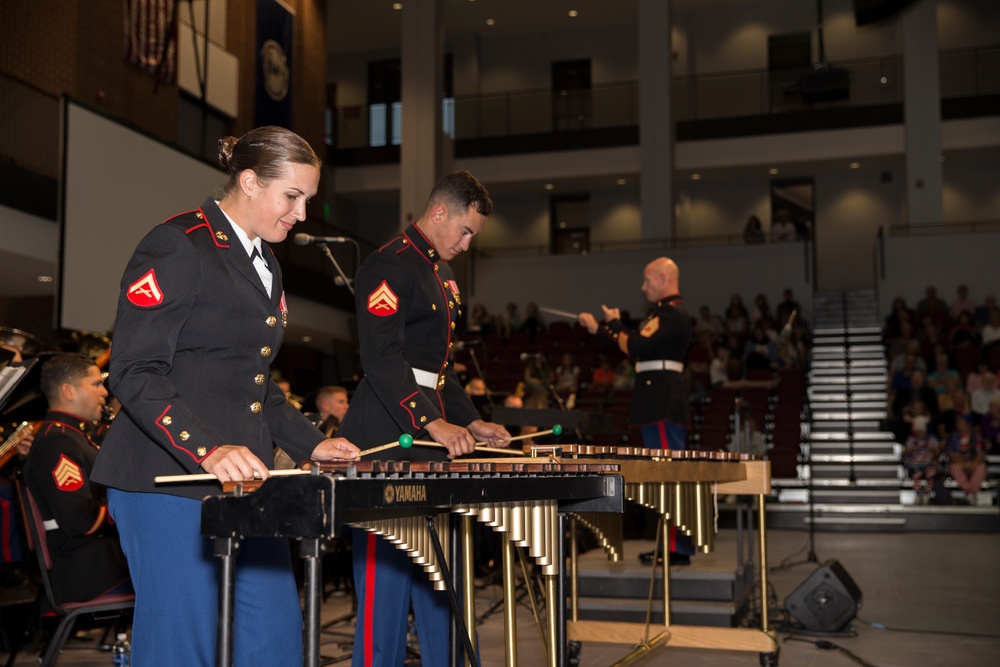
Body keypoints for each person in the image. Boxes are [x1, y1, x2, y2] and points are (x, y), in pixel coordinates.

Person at [91, 126, 360, 667]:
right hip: (169, 480)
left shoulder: (266, 262)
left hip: (244, 482)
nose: (301, 214)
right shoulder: (178, 243)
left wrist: (311, 445)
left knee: (276, 641)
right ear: (250, 181)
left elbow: (253, 383)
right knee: (179, 648)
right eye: (293, 197)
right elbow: (134, 371)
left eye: (307, 200)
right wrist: (206, 449)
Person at [335, 170, 511, 667]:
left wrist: (469, 421)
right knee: (384, 587)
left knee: (441, 578)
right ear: (439, 213)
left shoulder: (444, 275)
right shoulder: (387, 266)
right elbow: (384, 358)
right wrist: (430, 422)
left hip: (428, 438)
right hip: (386, 439)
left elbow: (437, 368)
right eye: (466, 231)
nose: (468, 243)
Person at [578, 256, 695, 563]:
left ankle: (675, 548)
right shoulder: (664, 314)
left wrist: (614, 324)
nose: (643, 288)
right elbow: (636, 341)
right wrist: (598, 329)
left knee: (667, 476)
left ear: (663, 279)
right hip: (657, 400)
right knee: (662, 476)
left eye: (647, 281)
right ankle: (672, 546)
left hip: (662, 402)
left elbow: (638, 346)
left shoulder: (671, 314)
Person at [21, 354, 132, 603]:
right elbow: (79, 521)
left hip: (96, 562)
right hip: (89, 572)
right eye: (95, 384)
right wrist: (130, 509)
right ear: (68, 391)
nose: (105, 392)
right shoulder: (58, 443)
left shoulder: (73, 437)